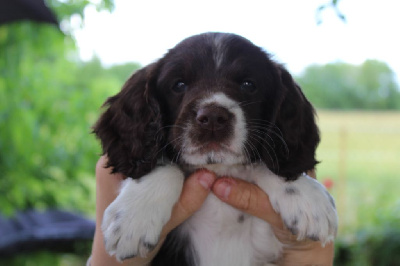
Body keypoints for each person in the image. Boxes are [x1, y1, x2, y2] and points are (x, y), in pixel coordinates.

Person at [89, 156, 334, 266]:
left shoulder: (272, 173)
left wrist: (307, 257)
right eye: (181, 85)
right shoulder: (163, 176)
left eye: (247, 85)